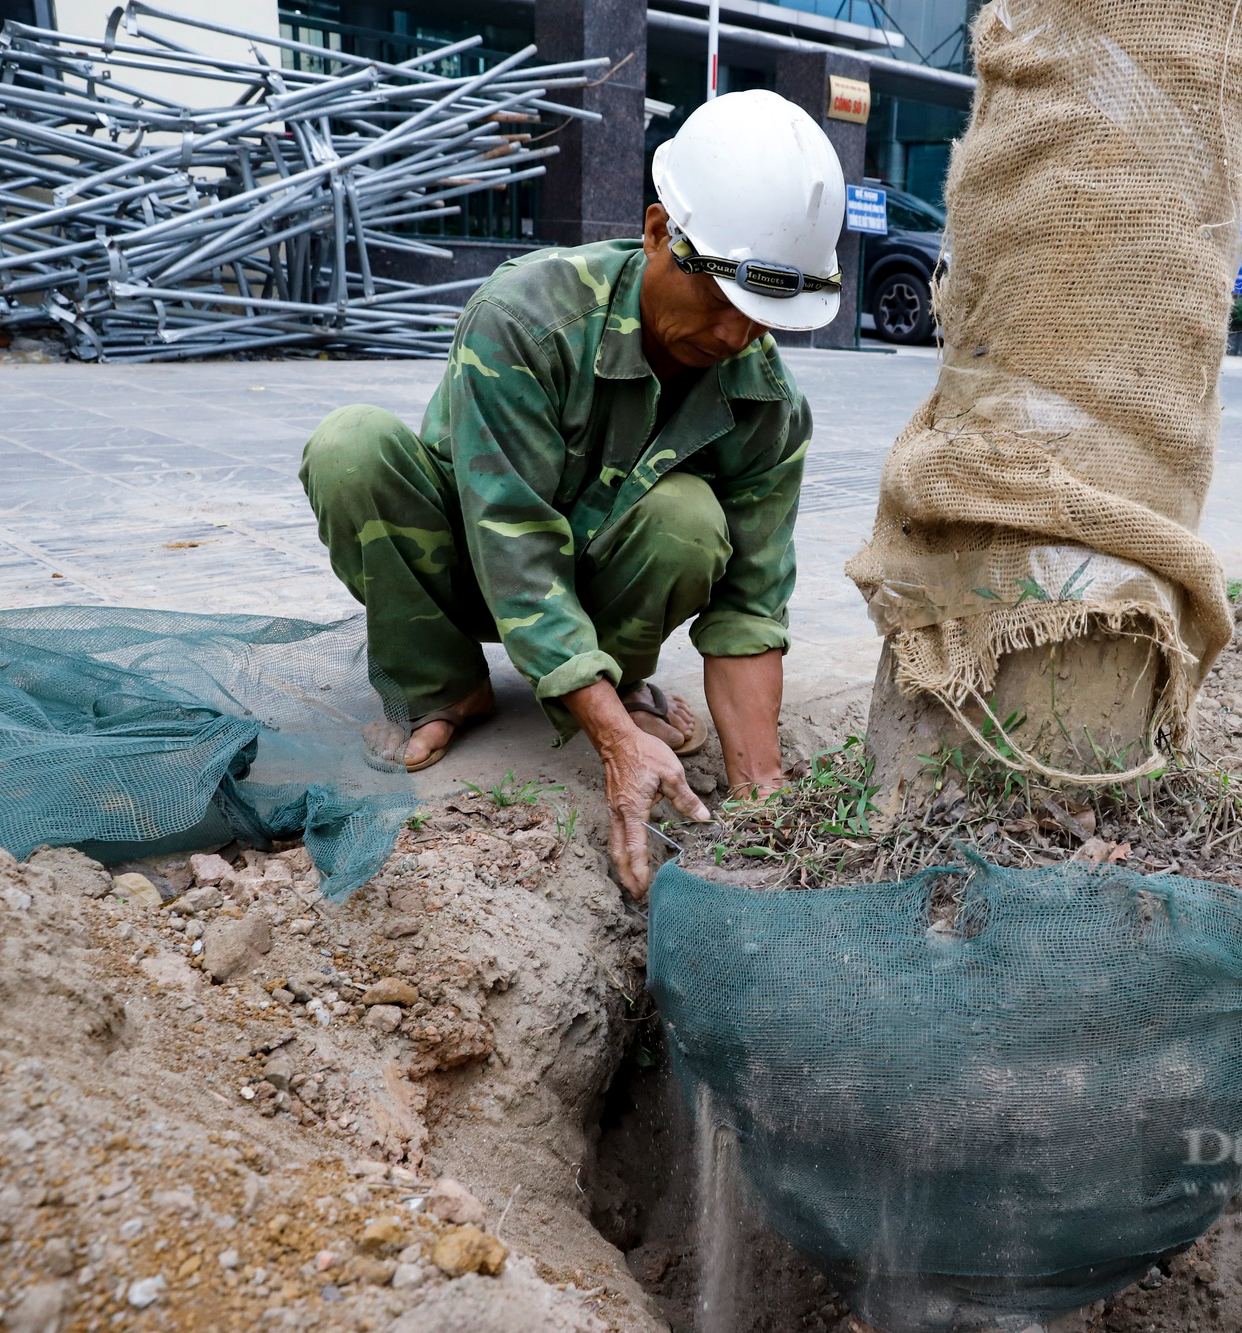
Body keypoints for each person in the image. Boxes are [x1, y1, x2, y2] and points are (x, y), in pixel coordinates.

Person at [299, 90, 844, 897]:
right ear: (660, 233)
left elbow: (751, 607)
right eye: (723, 300)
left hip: (593, 585)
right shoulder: (527, 315)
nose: (735, 337)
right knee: (350, 449)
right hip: (466, 563)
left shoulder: (767, 404)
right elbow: (510, 535)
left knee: (687, 520)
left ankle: (613, 682)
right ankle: (441, 686)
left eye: (763, 320)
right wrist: (619, 748)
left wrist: (760, 789)